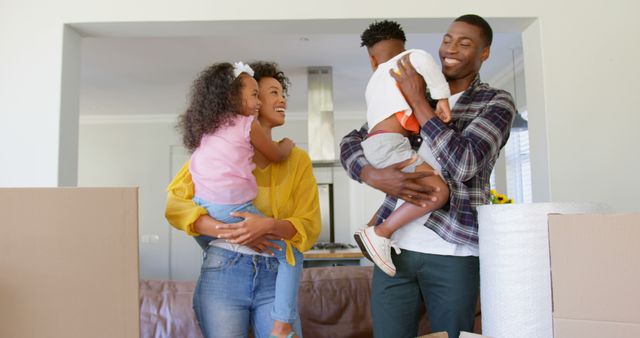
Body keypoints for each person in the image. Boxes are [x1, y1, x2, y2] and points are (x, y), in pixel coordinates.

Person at [340, 15, 516, 338]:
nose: (451, 49)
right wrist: (372, 175)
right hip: (393, 248)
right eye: (447, 39)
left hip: (454, 252)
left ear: (485, 54)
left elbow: (464, 164)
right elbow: (354, 141)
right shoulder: (414, 91)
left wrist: (420, 104)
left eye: (465, 43)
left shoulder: (495, 102)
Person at [166, 61, 321, 338]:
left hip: (276, 278)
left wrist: (268, 226)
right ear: (253, 100)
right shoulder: (214, 151)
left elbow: (308, 225)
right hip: (224, 271)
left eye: (282, 92)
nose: (282, 98)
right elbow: (175, 206)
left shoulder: (297, 160)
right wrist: (232, 231)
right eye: (272, 92)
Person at [353, 20, 452, 277]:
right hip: (388, 143)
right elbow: (429, 69)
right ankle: (379, 233)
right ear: (404, 47)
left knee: (410, 187)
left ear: (372, 59)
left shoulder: (374, 82)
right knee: (437, 191)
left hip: (376, 145)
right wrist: (442, 98)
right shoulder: (413, 57)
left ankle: (373, 224)